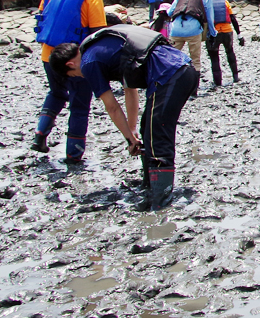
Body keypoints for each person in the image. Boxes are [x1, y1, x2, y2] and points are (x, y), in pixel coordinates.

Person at [48, 25, 198, 210]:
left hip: (169, 74)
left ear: (70, 65)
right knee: (147, 128)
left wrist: (128, 138)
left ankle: (161, 202)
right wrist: (132, 131)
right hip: (183, 69)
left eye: (73, 75)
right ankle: (149, 187)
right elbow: (130, 89)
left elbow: (112, 107)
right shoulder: (103, 47)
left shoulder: (88, 63)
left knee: (157, 134)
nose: (78, 76)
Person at [30, 0, 114, 162]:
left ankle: (40, 134)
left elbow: (42, 16)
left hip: (48, 57)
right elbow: (97, 37)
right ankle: (73, 154)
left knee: (56, 93)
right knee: (79, 107)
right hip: (76, 63)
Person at [167, 0, 216, 73]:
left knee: (171, 59)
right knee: (195, 61)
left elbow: (170, 11)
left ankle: (170, 83)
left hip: (176, 29)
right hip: (194, 30)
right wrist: (212, 33)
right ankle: (194, 85)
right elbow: (209, 16)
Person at [206, 0, 242, 87]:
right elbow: (233, 19)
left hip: (213, 33)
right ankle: (235, 77)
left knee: (214, 56)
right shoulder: (225, 2)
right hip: (227, 31)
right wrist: (239, 35)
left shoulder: (206, 3)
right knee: (230, 52)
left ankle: (218, 82)